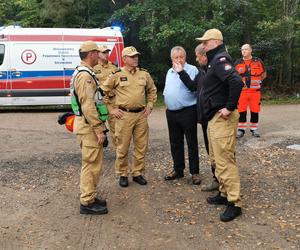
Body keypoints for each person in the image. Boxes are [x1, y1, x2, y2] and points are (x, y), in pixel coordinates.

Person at [196, 28, 244, 222]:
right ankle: (224, 194)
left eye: (206, 43)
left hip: (222, 118)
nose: (204, 46)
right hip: (214, 119)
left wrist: (229, 107)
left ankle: (235, 203)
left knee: (225, 161)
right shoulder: (215, 61)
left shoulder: (220, 59)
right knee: (217, 159)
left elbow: (237, 82)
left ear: (215, 42)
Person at [101, 46, 157, 187]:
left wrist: (150, 105)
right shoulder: (117, 74)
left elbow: (152, 90)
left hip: (141, 115)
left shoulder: (144, 74)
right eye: (132, 56)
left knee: (141, 146)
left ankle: (137, 172)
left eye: (137, 56)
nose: (136, 58)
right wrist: (111, 109)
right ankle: (123, 173)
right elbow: (102, 93)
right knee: (123, 146)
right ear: (124, 59)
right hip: (123, 115)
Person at [172, 44, 219, 191]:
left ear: (204, 56)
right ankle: (217, 180)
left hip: (215, 117)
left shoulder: (213, 69)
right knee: (211, 149)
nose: (197, 59)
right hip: (206, 117)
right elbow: (193, 87)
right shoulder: (203, 72)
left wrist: (228, 107)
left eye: (197, 56)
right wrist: (181, 73)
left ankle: (223, 184)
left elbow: (234, 84)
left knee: (218, 151)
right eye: (176, 57)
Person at [71, 41, 108, 215]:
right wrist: (99, 129)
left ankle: (90, 196)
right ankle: (86, 202)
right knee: (91, 163)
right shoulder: (85, 76)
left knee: (93, 162)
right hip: (89, 127)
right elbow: (88, 106)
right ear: (91, 54)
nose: (100, 55)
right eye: (97, 52)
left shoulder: (85, 72)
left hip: (86, 125)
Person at [163, 46, 201, 185]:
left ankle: (195, 172)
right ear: (171, 58)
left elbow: (193, 88)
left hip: (188, 111)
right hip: (171, 112)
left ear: (185, 57)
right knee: (175, 142)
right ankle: (178, 170)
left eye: (181, 57)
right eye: (176, 57)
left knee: (191, 142)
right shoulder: (169, 71)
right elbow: (168, 89)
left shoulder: (192, 70)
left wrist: (181, 72)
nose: (179, 60)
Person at [235, 44, 267, 138]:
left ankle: (254, 129)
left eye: (246, 49)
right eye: (242, 50)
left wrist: (256, 82)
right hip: (242, 92)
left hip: (255, 92)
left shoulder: (258, 61)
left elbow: (263, 74)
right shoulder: (237, 62)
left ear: (250, 50)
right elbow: (234, 77)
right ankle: (241, 130)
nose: (243, 51)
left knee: (255, 110)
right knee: (241, 110)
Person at [94, 45, 118, 147]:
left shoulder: (113, 67)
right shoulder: (93, 68)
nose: (106, 54)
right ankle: (98, 148)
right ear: (98, 54)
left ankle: (118, 151)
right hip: (99, 102)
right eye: (104, 52)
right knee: (98, 126)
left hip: (112, 101)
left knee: (116, 128)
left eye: (107, 52)